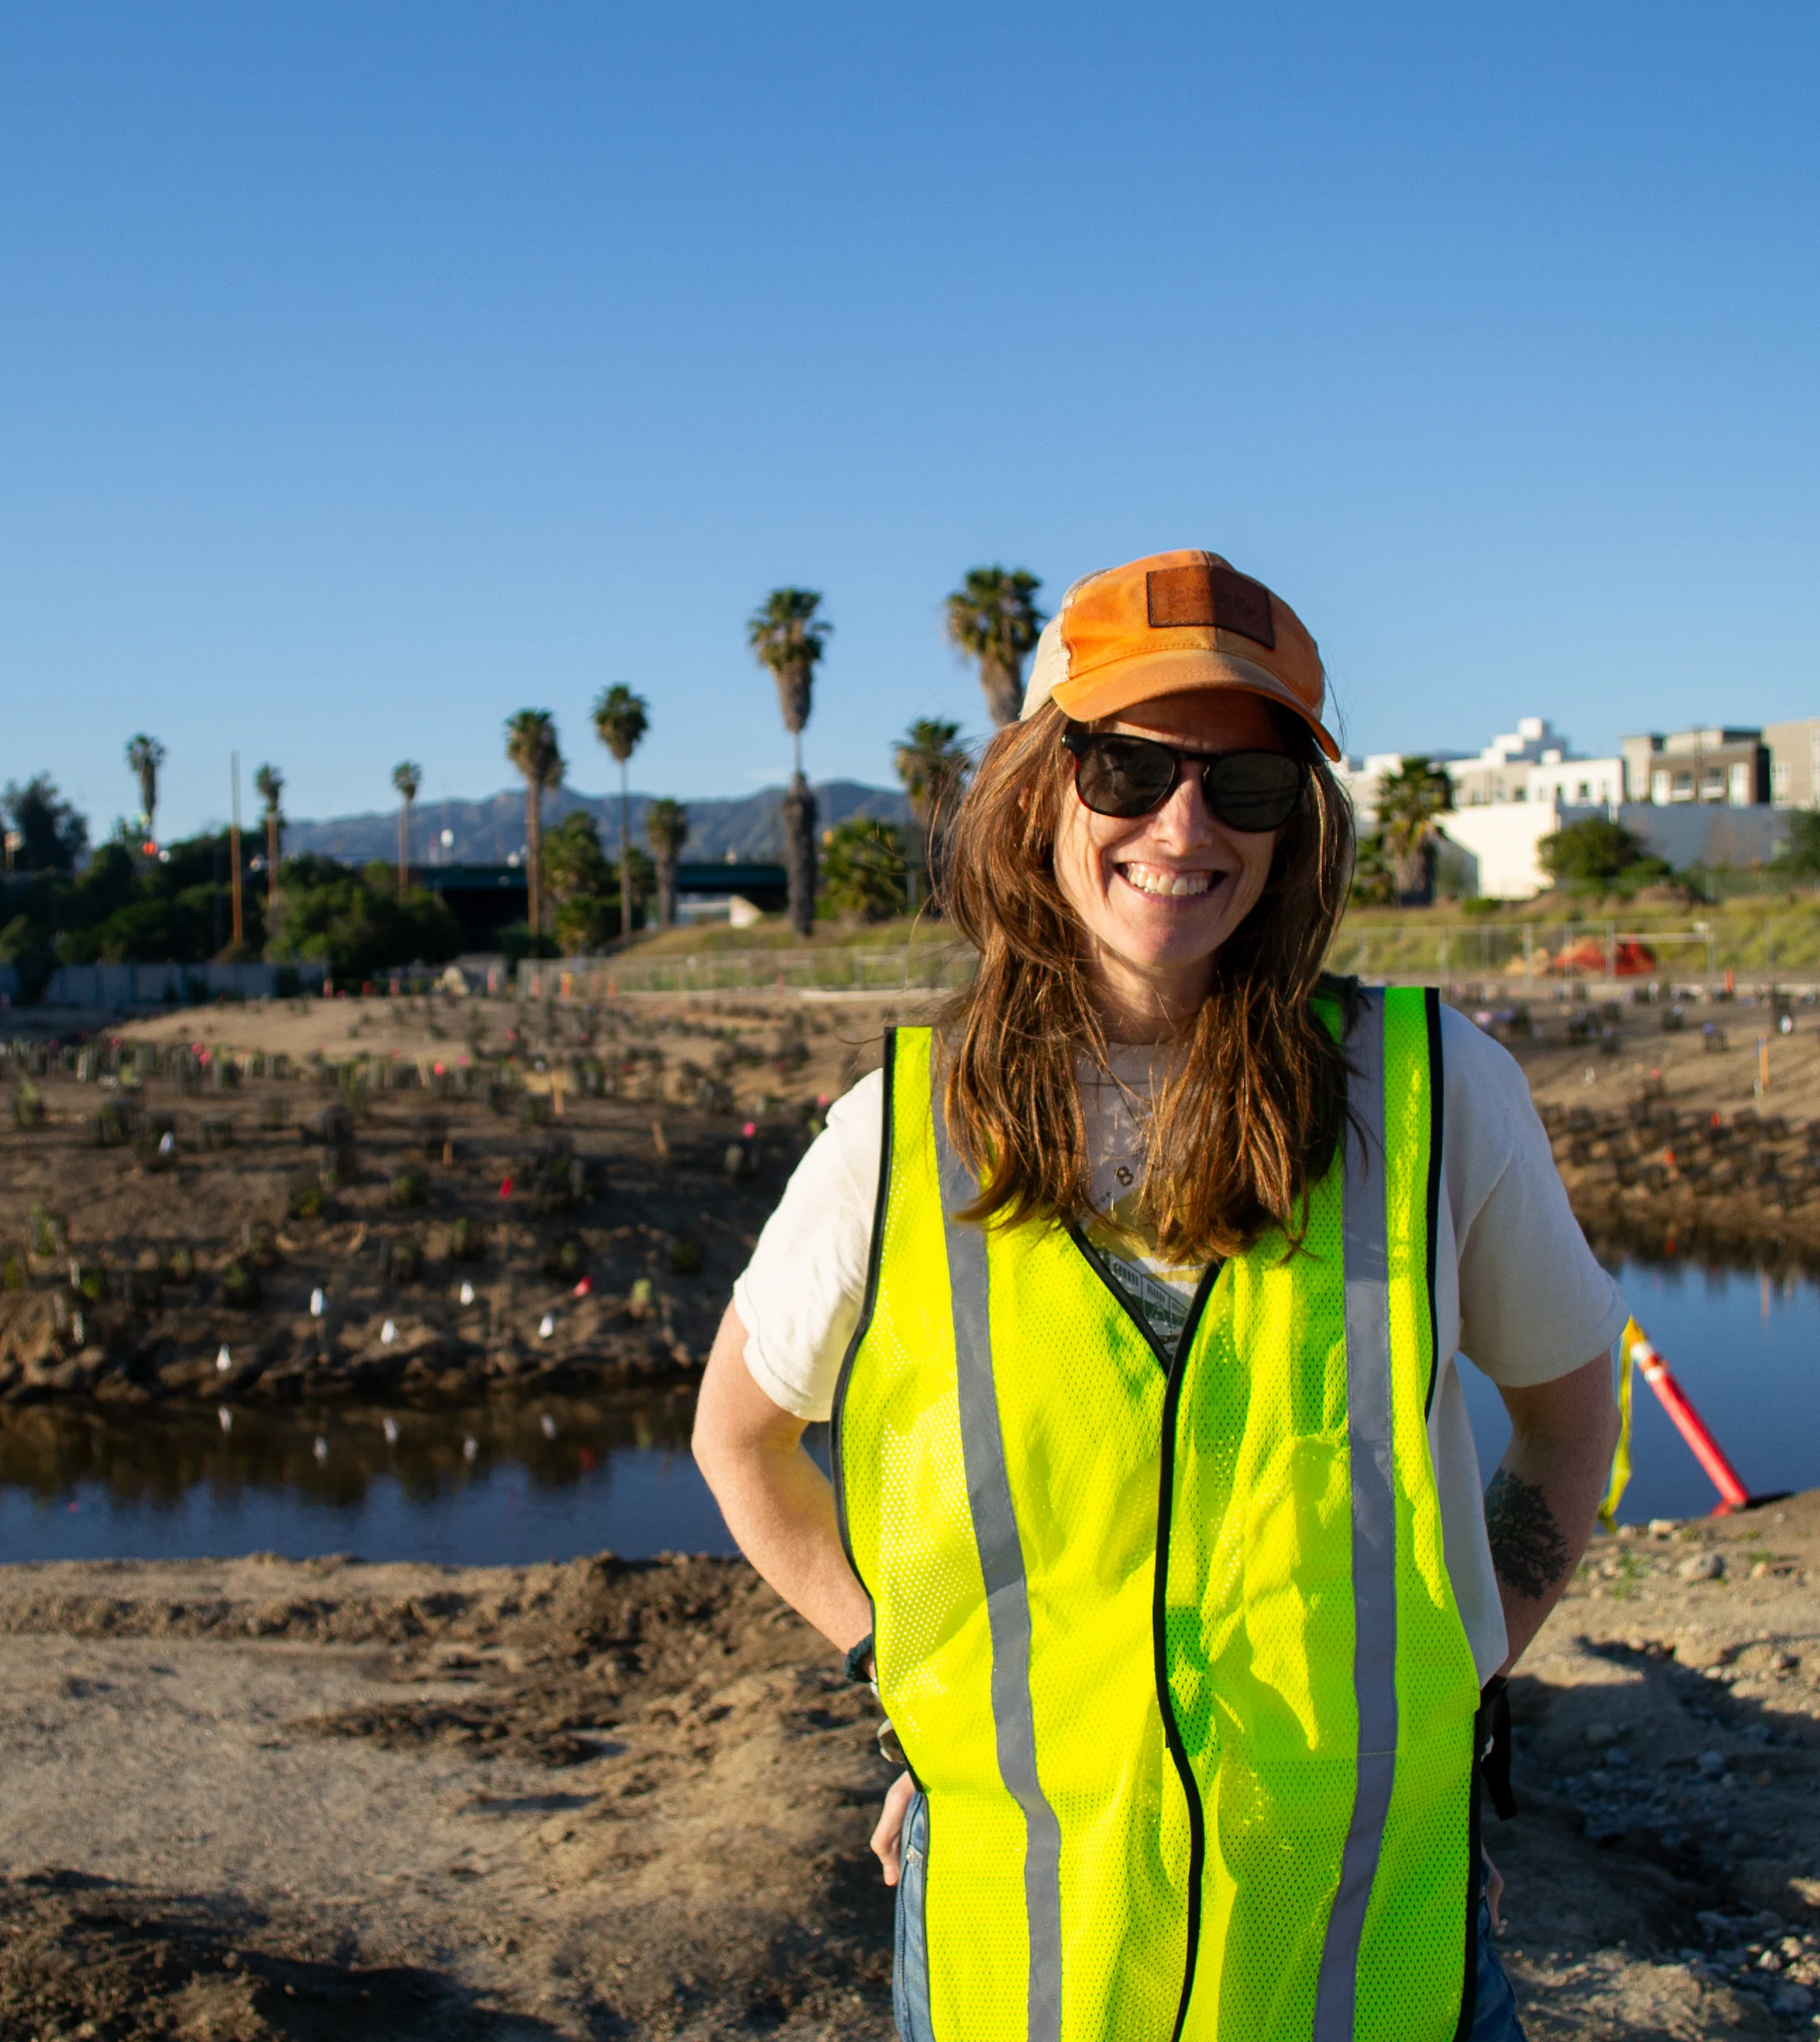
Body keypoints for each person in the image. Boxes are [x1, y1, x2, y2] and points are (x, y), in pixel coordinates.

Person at [693, 550, 1624, 2042]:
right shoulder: (903, 1133)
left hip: (1358, 1945)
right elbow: (740, 1439)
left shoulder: (1436, 1096)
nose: (1185, 825)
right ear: (1038, 787)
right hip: (1028, 1952)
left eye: (1247, 786)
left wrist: (1461, 1670)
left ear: (1296, 829)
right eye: (1129, 763)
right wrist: (916, 1691)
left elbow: (1573, 1415)